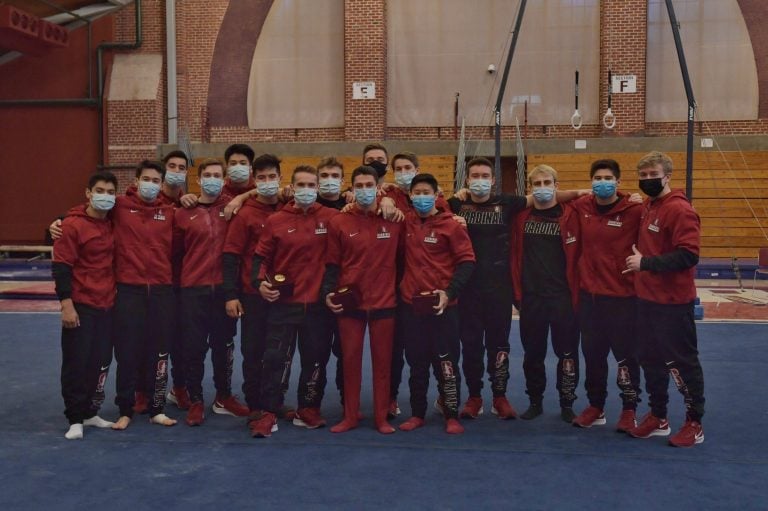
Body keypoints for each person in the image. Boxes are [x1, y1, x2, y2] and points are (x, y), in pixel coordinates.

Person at [248, 165, 339, 438]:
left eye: (312, 185)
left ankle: (308, 408)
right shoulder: (277, 220)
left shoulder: (333, 218)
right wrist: (259, 283)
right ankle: (268, 411)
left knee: (315, 360)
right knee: (275, 359)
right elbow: (259, 258)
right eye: (302, 184)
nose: (307, 190)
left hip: (318, 307)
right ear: (292, 186)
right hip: (283, 303)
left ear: (319, 187)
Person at [624, 151, 705, 447]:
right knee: (650, 361)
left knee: (682, 363)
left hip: (673, 302)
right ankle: (658, 416)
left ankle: (694, 422)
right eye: (643, 176)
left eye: (653, 175)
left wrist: (646, 264)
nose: (647, 180)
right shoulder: (649, 205)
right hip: (646, 300)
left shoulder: (680, 210)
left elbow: (688, 255)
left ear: (667, 176)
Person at [321, 165, 403, 434]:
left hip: (384, 303)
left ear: (378, 188)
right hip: (351, 303)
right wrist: (329, 293)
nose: (365, 190)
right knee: (350, 361)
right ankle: (350, 415)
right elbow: (332, 264)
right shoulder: (339, 221)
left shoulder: (394, 219)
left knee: (383, 364)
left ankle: (381, 417)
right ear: (352, 189)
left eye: (370, 185)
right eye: (360, 186)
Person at [447, 157, 528, 420]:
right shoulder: (455, 204)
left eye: (485, 175)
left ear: (493, 180)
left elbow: (547, 198)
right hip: (467, 289)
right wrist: (452, 197)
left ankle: (499, 396)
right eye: (474, 175)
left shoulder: (507, 203)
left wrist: (585, 192)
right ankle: (474, 396)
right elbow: (426, 206)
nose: (479, 180)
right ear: (467, 180)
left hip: (499, 288)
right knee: (470, 345)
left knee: (499, 345)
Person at [174, 158, 250, 426]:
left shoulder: (233, 208)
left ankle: (224, 396)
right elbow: (176, 253)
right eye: (207, 174)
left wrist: (242, 198)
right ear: (199, 179)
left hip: (225, 290)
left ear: (224, 177)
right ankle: (196, 400)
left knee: (225, 346)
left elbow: (264, 192)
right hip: (192, 290)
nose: (212, 178)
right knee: (193, 348)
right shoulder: (183, 213)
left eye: (218, 174)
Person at [398, 173, 476, 434]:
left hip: (444, 306)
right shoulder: (404, 222)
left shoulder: (452, 225)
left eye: (425, 192)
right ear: (410, 195)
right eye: (416, 192)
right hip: (411, 306)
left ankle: (451, 413)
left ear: (436, 194)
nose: (421, 197)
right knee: (417, 362)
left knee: (447, 362)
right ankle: (417, 413)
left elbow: (467, 262)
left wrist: (449, 292)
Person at [570, 159, 643, 431]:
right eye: (598, 177)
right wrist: (578, 192)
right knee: (593, 356)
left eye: (608, 177)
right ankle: (596, 406)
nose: (603, 182)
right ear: (591, 182)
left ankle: (629, 408)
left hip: (622, 297)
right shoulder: (583, 207)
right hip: (590, 298)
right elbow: (554, 197)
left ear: (618, 182)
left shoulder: (635, 210)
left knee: (626, 357)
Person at [109, 160, 178, 429]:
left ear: (162, 184)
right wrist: (62, 219)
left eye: (155, 180)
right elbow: (87, 210)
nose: (150, 184)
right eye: (146, 179)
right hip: (129, 290)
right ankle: (125, 409)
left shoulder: (169, 211)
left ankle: (156, 408)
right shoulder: (119, 206)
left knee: (160, 353)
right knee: (127, 352)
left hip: (161, 291)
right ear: (136, 180)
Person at [510, 165, 581, 423]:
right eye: (536, 183)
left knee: (568, 354)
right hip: (531, 297)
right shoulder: (520, 216)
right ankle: (535, 401)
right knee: (533, 354)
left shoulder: (572, 213)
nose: (542, 187)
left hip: (563, 297)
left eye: (547, 182)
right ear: (530, 188)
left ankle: (567, 402)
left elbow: (602, 197)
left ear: (556, 184)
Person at [53, 172, 119, 439]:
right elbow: (61, 268)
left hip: (108, 304)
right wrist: (66, 305)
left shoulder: (114, 222)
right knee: (76, 362)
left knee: (100, 361)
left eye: (111, 191)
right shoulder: (71, 225)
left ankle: (91, 412)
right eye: (100, 190)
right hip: (81, 304)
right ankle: (75, 418)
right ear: (88, 193)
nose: (105, 196)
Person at [222, 154, 286, 430]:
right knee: (253, 352)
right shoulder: (245, 213)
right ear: (254, 181)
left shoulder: (290, 207)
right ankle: (255, 405)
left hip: (285, 295)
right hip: (251, 295)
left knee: (278, 354)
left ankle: (274, 403)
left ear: (280, 179)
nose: (267, 182)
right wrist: (230, 294)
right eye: (261, 178)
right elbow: (231, 256)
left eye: (272, 177)